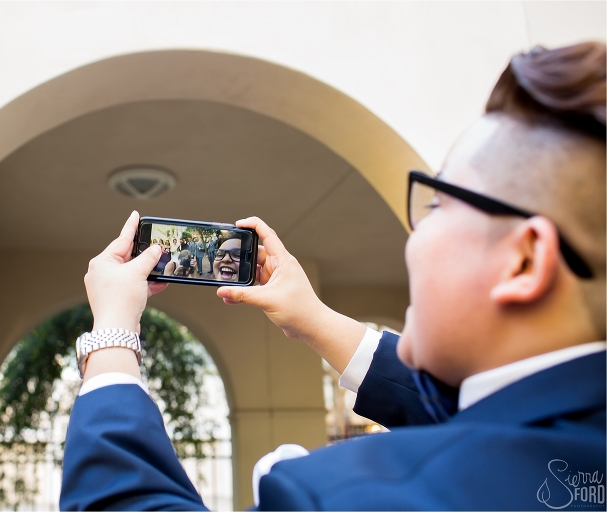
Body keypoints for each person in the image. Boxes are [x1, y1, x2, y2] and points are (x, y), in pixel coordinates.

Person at [61, 42, 605, 510]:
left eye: (438, 205)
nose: (416, 238)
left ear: (524, 261)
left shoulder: (339, 496)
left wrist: (112, 334)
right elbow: (480, 422)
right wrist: (314, 320)